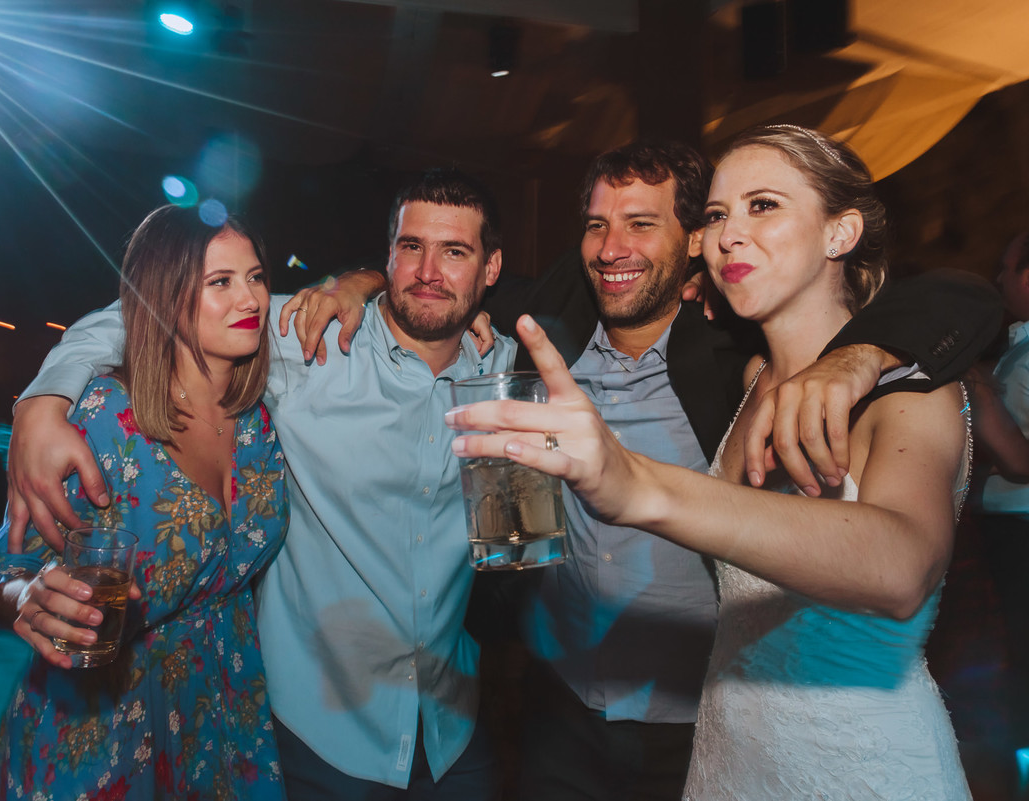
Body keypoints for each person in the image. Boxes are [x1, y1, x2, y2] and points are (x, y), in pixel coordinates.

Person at [280, 140, 1000, 801]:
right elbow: (433, 281)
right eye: (596, 224)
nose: (612, 246)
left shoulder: (727, 356)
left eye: (641, 224)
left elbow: (958, 297)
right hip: (559, 705)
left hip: (687, 721)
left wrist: (862, 352)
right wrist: (361, 282)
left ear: (691, 246)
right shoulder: (545, 332)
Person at [2, 169, 517, 799]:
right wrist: (42, 403)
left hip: (446, 722)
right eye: (411, 247)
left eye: (455, 252)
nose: (429, 270)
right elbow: (136, 312)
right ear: (388, 256)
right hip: (316, 731)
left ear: (491, 269)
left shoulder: (506, 370)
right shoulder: (308, 340)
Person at [0, 206, 289, 800]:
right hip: (97, 729)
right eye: (222, 282)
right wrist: (30, 598)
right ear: (166, 296)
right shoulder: (106, 417)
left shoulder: (257, 424)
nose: (252, 300)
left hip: (221, 714)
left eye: (257, 277)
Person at [972, 231, 1029, 760]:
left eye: (1008, 268)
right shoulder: (1019, 347)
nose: (998, 279)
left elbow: (1020, 459)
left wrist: (979, 394)